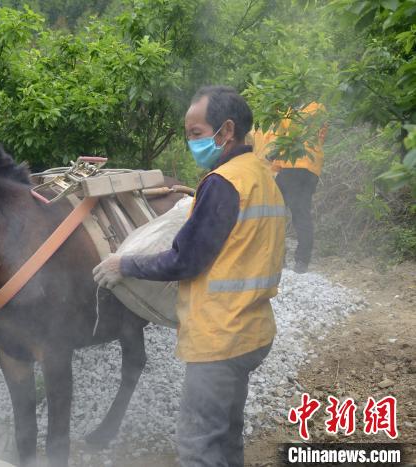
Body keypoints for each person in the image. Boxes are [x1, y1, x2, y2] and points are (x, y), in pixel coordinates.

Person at [93, 86, 285, 467]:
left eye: (196, 133)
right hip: (251, 329)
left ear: (226, 130)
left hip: (219, 338)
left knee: (198, 445)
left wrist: (123, 265)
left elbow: (185, 261)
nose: (190, 142)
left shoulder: (223, 183)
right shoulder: (260, 176)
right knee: (227, 433)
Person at [270, 102, 327, 273]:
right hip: (294, 167)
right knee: (285, 212)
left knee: (291, 212)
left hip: (300, 167)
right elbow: (280, 137)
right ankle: (294, 260)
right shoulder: (290, 110)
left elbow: (291, 135)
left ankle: (297, 260)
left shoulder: (315, 108)